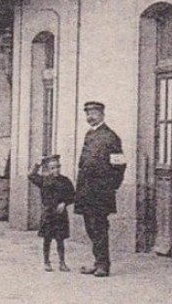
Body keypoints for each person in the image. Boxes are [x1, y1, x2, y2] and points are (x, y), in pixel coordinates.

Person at [74, 101, 127, 277]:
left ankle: (104, 265)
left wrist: (111, 187)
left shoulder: (110, 137)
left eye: (94, 113)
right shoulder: (89, 134)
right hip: (86, 189)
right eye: (88, 113)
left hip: (101, 191)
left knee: (99, 227)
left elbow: (120, 165)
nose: (90, 116)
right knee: (90, 226)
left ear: (102, 114)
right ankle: (97, 262)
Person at [29, 155, 76, 273]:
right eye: (52, 168)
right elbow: (31, 175)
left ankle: (62, 263)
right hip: (48, 213)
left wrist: (65, 203)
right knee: (47, 239)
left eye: (57, 167)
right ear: (48, 170)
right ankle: (47, 262)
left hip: (60, 214)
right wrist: (37, 164)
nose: (56, 170)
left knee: (60, 239)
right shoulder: (44, 180)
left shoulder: (65, 181)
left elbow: (73, 195)